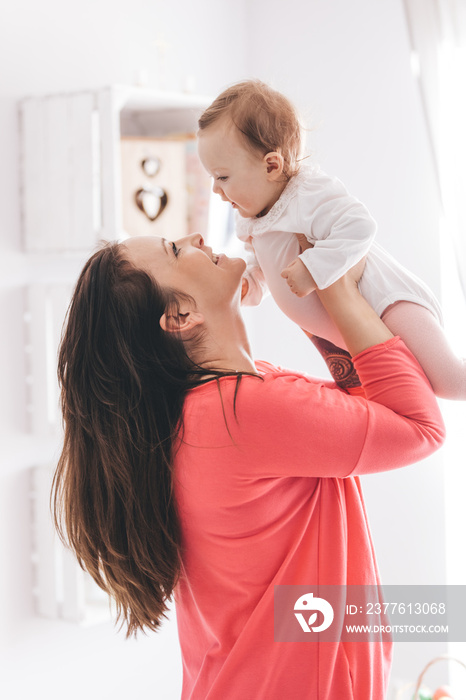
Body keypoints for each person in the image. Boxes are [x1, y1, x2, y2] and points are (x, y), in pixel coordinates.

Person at [52, 232, 445, 700]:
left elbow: (370, 401)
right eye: (177, 250)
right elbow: (418, 426)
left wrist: (309, 290)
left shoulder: (221, 407)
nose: (194, 237)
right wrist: (331, 283)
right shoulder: (241, 412)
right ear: (180, 316)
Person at [197, 79, 466, 399]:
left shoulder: (307, 193)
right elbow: (265, 268)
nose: (216, 190)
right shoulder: (252, 218)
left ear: (271, 165)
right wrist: (249, 285)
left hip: (387, 303)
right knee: (400, 396)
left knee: (450, 381)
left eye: (222, 177)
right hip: (346, 334)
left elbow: (359, 227)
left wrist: (312, 267)